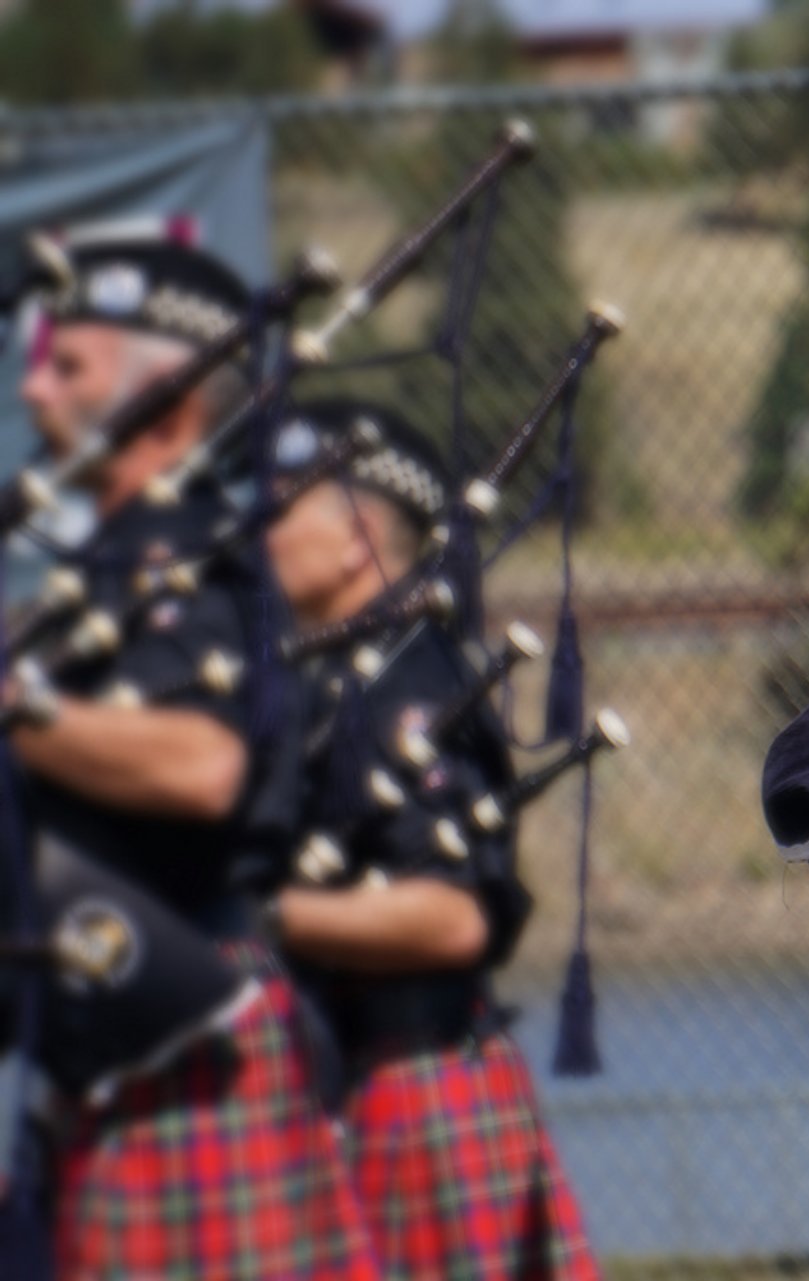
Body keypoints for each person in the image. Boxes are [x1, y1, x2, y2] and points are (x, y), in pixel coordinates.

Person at [9, 237, 377, 1277]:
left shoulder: (189, 551)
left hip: (186, 1031)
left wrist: (15, 704)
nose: (34, 383)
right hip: (117, 1014)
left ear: (163, 405)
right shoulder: (115, 560)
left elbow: (199, 765)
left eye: (68, 365)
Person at [260, 398, 598, 1280]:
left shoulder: (405, 683)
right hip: (345, 1075)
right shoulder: (331, 677)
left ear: (355, 537)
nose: (251, 530)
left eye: (278, 507)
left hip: (407, 1087)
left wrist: (258, 912)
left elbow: (449, 918)